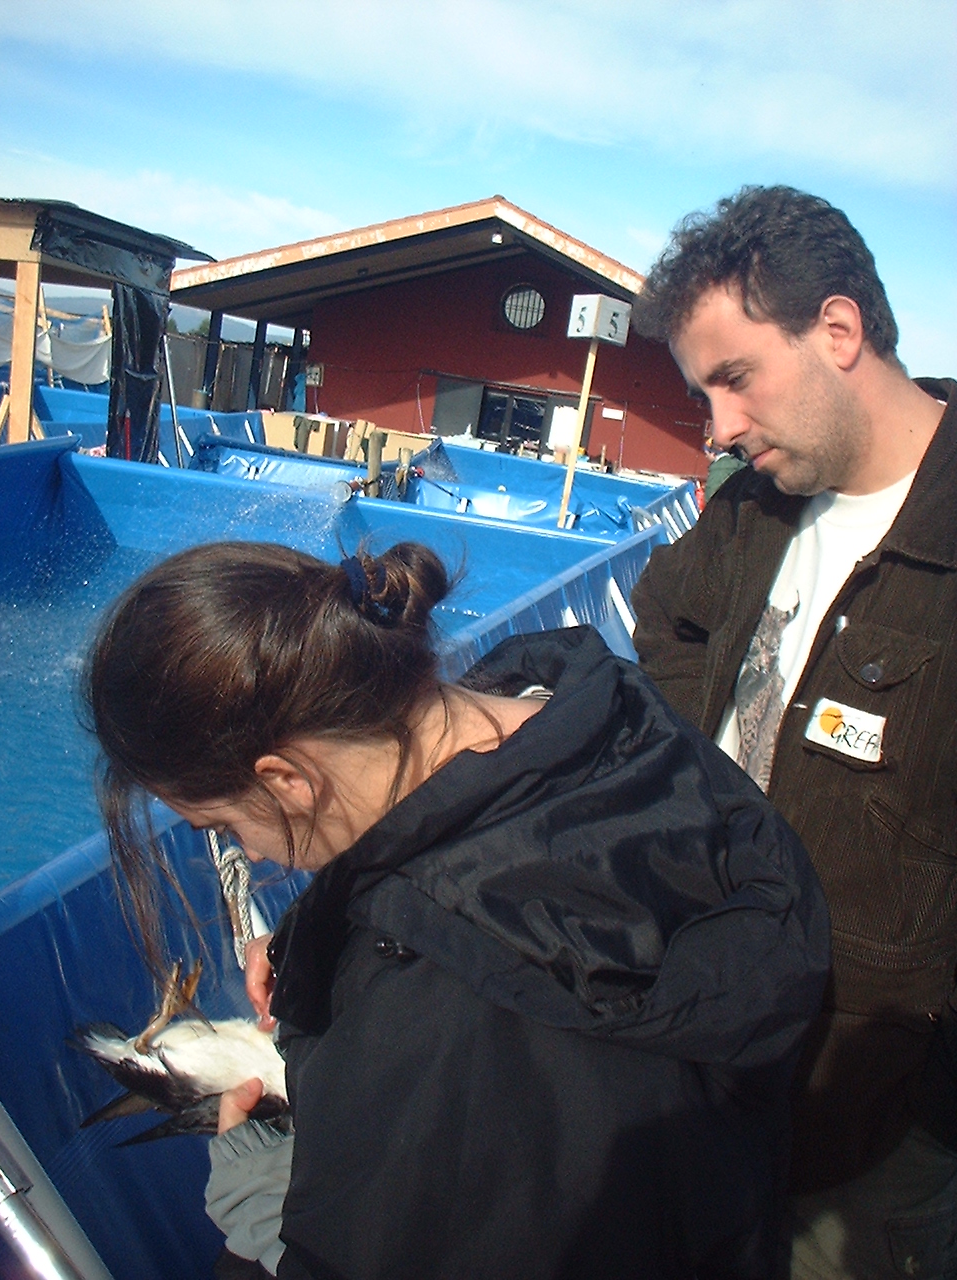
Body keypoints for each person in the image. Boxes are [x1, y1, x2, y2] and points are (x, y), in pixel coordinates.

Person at [85, 538, 829, 1280]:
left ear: (286, 780)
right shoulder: (608, 725)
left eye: (222, 826)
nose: (250, 855)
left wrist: (269, 1223)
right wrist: (333, 933)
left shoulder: (437, 1016)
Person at [628, 184, 957, 1279]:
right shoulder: (749, 509)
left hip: (864, 1145)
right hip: (705, 1073)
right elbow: (664, 624)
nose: (718, 427)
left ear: (839, 330)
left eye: (735, 378)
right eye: (702, 393)